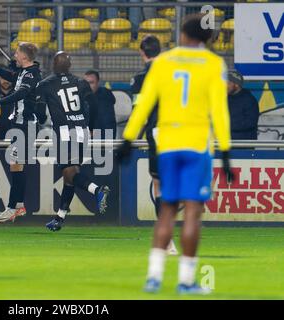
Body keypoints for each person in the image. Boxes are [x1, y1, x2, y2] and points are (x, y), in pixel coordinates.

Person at [118, 14, 234, 295]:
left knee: (166, 211)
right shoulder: (213, 64)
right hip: (197, 146)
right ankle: (185, 280)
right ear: (207, 39)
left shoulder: (163, 62)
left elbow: (144, 104)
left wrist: (127, 139)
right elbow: (219, 110)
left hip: (167, 145)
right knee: (193, 212)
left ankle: (154, 277)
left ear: (182, 34)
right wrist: (226, 152)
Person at [36, 51, 110, 232]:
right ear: (69, 66)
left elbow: (40, 112)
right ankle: (59, 217)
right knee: (70, 175)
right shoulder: (80, 82)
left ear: (53, 65)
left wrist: (40, 117)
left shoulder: (46, 84)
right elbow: (93, 105)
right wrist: (90, 126)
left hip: (64, 133)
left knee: (69, 172)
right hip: (81, 131)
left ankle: (97, 190)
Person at [0, 42, 42, 223]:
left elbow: (21, 94)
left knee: (17, 164)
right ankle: (18, 206)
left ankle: (13, 207)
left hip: (25, 125)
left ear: (24, 56)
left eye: (17, 53)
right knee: (16, 165)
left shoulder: (32, 74)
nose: (14, 55)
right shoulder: (24, 72)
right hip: (19, 124)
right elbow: (9, 75)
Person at [130, 35, 178, 256]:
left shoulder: (141, 78)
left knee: (159, 184)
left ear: (142, 53)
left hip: (158, 132)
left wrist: (132, 137)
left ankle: (167, 239)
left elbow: (140, 111)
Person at [83, 70, 117, 139]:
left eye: (91, 82)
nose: (88, 86)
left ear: (98, 82)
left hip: (103, 137)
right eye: (86, 83)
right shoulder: (82, 96)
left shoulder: (105, 96)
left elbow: (107, 121)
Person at [227, 69, 259, 140]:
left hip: (243, 145)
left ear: (237, 85)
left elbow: (250, 123)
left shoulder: (249, 100)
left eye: (228, 83)